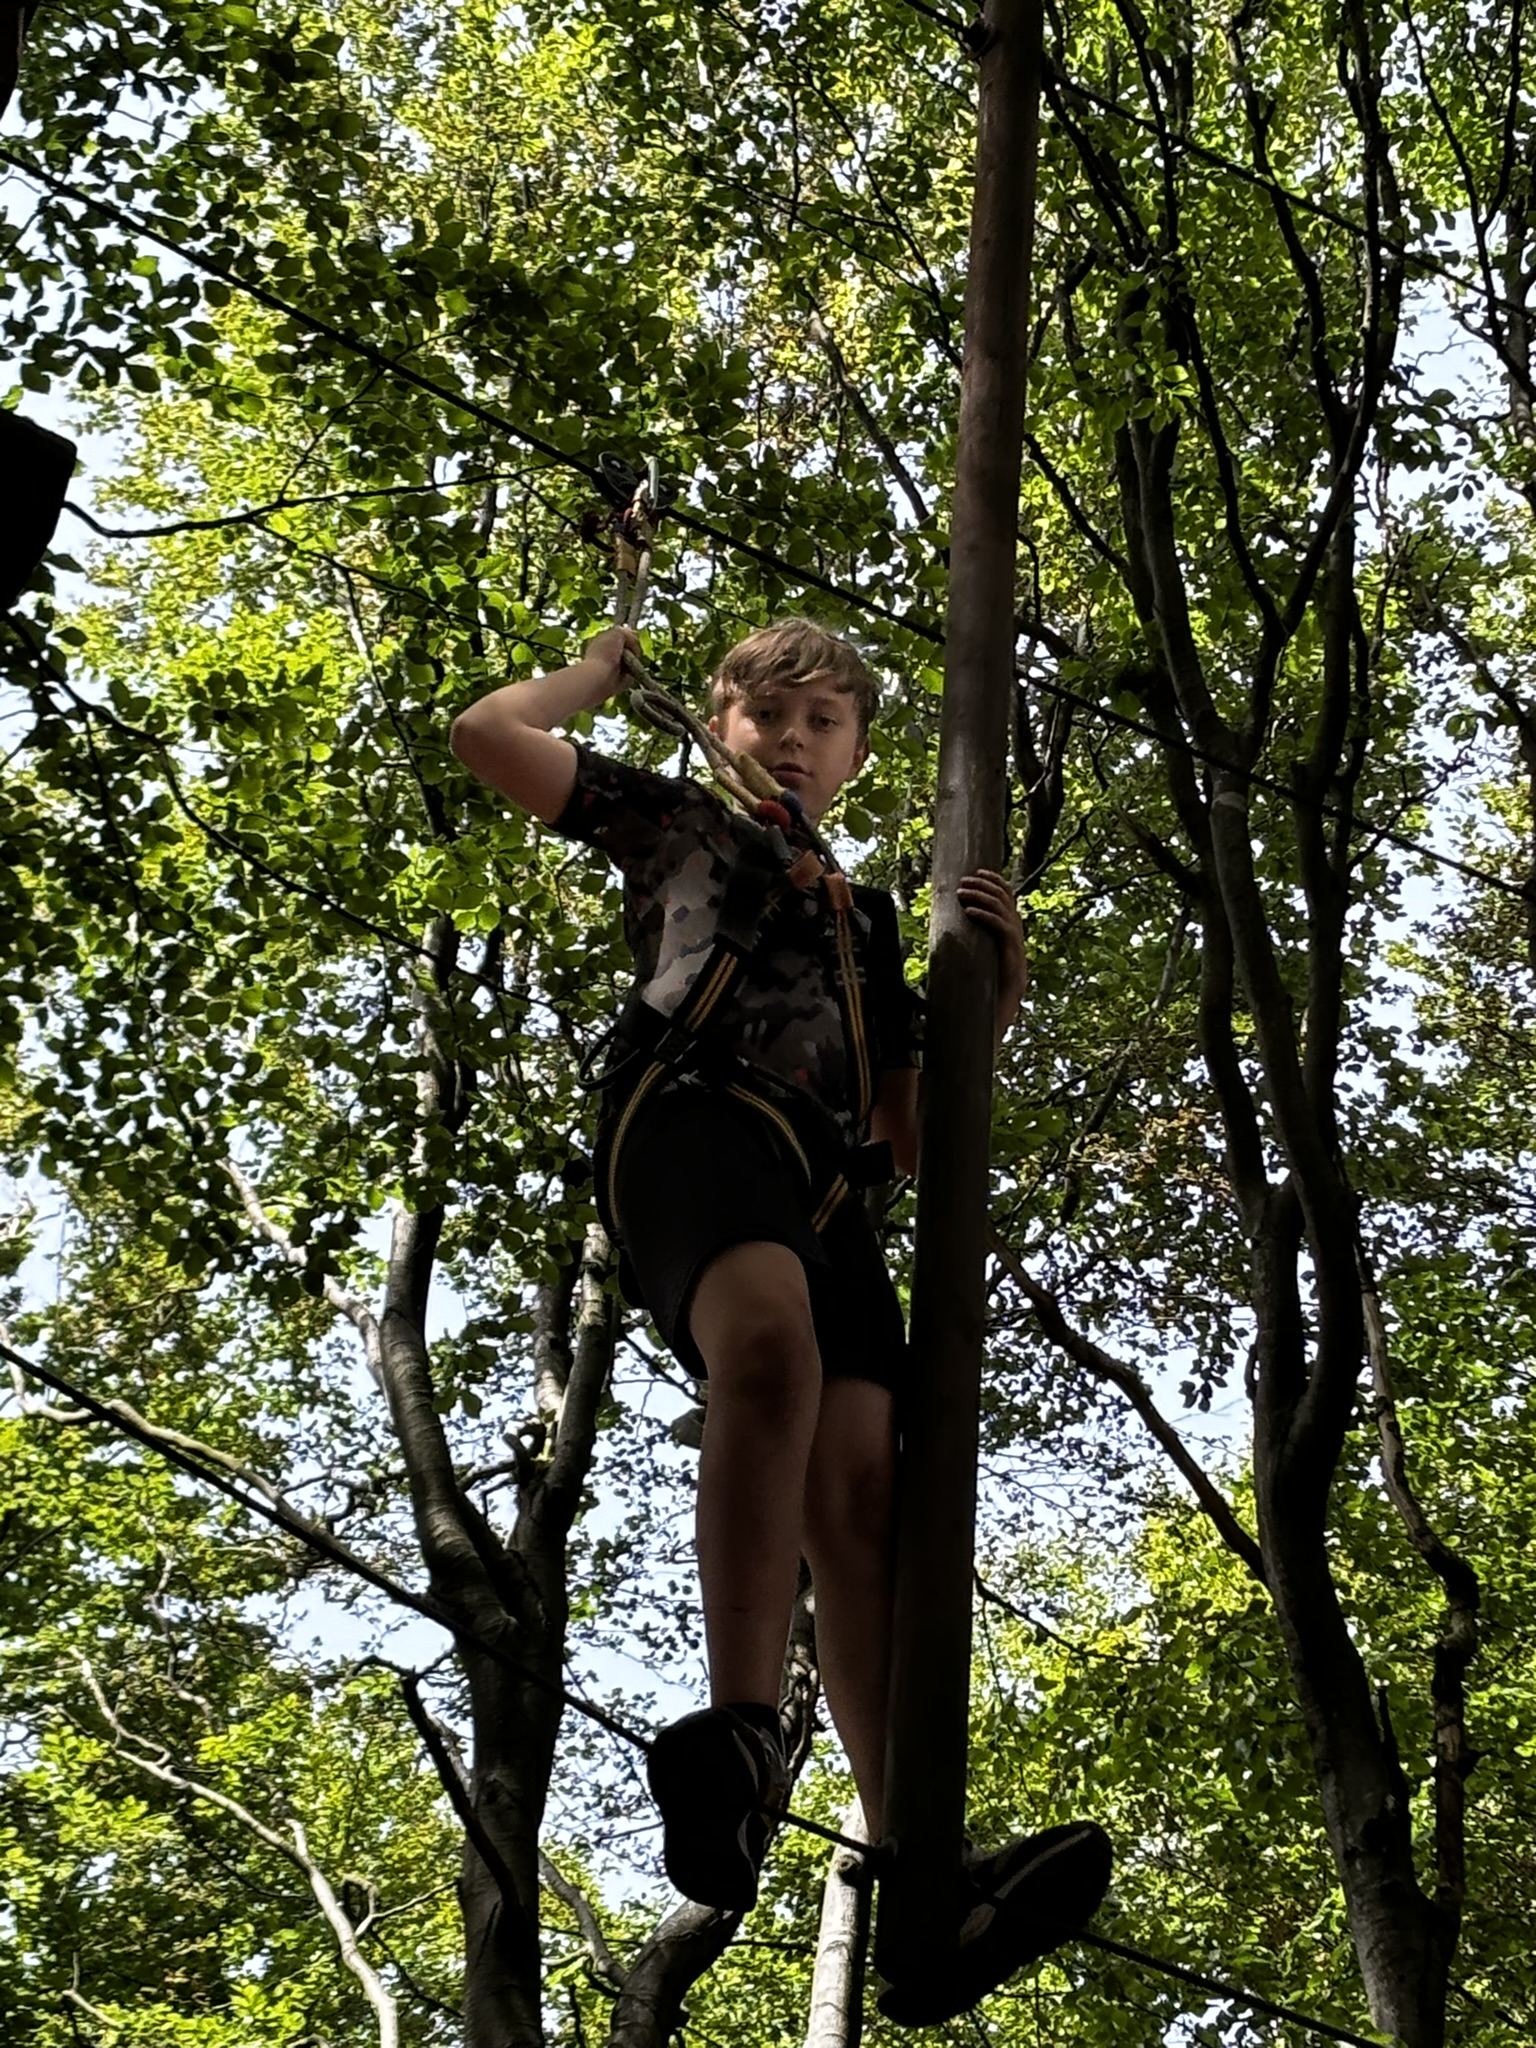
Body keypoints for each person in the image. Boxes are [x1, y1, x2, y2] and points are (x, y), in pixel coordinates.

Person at [450, 617, 1109, 2020]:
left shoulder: (873, 926)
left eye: (825, 722)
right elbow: (489, 737)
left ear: (859, 752)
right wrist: (597, 670)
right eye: (769, 715)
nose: (796, 739)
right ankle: (742, 1729)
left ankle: (925, 1872)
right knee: (765, 1352)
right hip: (696, 1117)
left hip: (828, 1201)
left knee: (864, 1490)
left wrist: (990, 1006)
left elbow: (910, 1140)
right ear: (723, 727)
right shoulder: (687, 826)